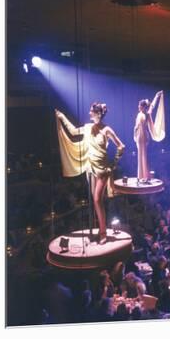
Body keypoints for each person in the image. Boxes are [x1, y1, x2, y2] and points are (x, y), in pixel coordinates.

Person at [55, 102, 125, 244]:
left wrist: (114, 164)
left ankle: (103, 232)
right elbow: (74, 131)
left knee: (97, 199)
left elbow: (121, 146)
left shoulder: (107, 130)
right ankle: (98, 229)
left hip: (103, 170)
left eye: (91, 111)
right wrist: (62, 117)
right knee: (94, 201)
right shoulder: (87, 128)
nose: (89, 113)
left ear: (98, 113)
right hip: (90, 167)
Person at [134, 91, 165, 181]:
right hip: (140, 136)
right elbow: (136, 126)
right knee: (141, 155)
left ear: (143, 107)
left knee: (143, 156)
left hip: (143, 136)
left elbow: (152, 106)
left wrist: (156, 96)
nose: (138, 107)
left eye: (140, 105)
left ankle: (144, 176)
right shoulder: (142, 114)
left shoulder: (146, 115)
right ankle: (142, 176)